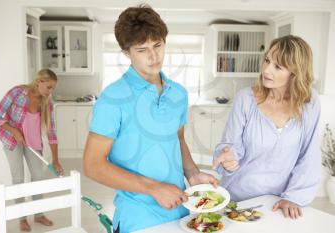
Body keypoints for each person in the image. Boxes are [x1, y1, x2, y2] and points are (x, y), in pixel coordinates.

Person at [83, 4, 218, 233]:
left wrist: (192, 173)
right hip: (137, 219)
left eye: (157, 45)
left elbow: (178, 139)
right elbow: (93, 165)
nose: (153, 56)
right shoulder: (112, 98)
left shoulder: (178, 93)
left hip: (180, 209)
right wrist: (154, 188)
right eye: (142, 49)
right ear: (127, 53)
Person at [213, 35, 321, 220]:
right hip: (238, 199)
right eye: (267, 60)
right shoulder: (245, 99)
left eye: (278, 66)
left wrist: (293, 198)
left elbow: (309, 155)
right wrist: (228, 155)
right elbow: (231, 145)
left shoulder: (309, 102)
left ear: (295, 72)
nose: (266, 70)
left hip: (278, 203)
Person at [0, 68, 64, 231]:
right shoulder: (17, 93)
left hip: (32, 142)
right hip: (12, 140)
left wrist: (55, 159)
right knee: (18, 178)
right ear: (39, 82)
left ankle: (38, 214)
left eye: (53, 88)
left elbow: (51, 132)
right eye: (49, 87)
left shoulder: (48, 103)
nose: (50, 91)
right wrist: (15, 131)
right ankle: (22, 217)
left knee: (38, 176)